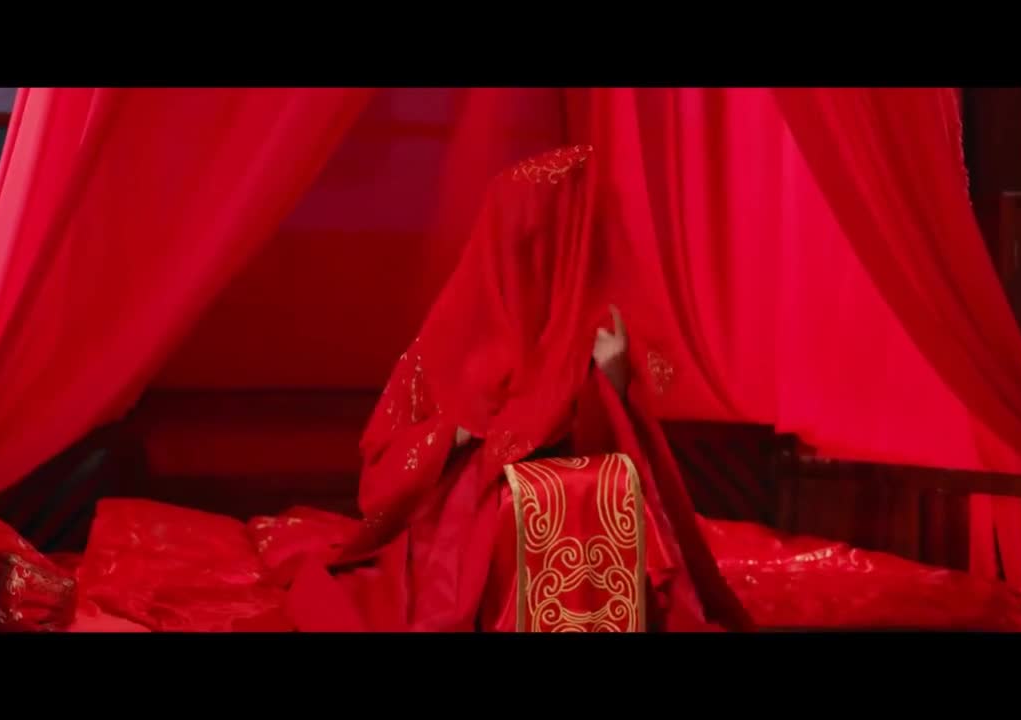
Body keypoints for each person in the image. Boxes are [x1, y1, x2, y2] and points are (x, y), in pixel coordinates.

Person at [285, 144, 753, 632]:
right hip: (471, 543)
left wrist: (611, 384)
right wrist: (450, 436)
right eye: (539, 237)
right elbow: (383, 466)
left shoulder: (599, 324)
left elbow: (629, 470)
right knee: (507, 506)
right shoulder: (458, 330)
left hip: (576, 530)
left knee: (580, 490)